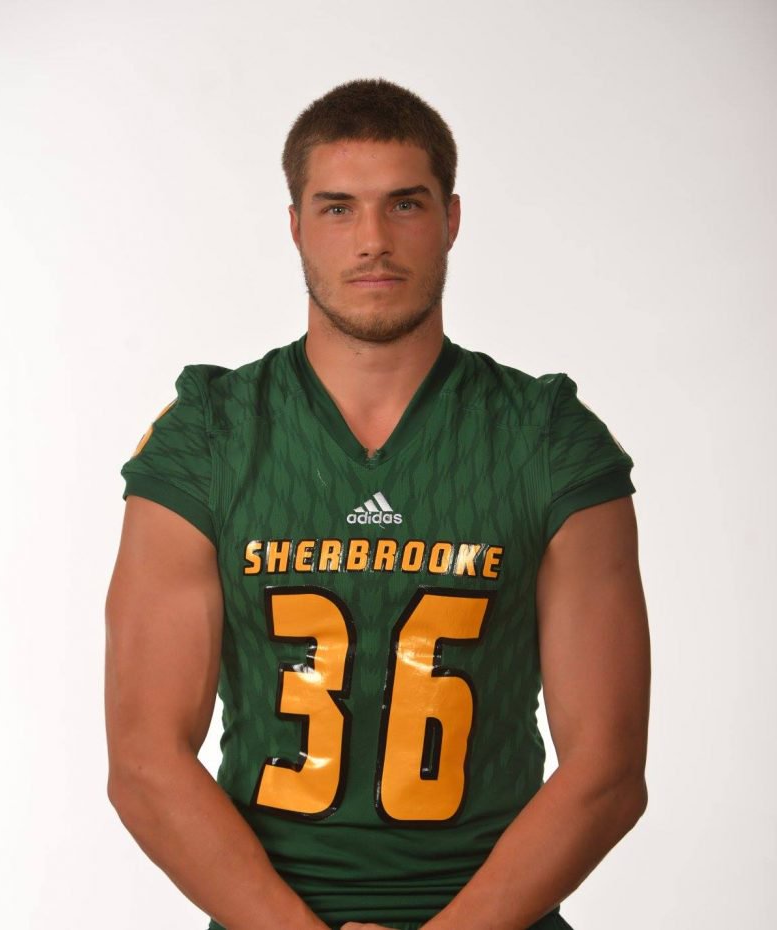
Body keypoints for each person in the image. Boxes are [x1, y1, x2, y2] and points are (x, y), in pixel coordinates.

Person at [105, 77, 650, 930]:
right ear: (295, 226)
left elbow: (608, 770)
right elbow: (144, 759)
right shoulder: (210, 435)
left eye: (405, 204)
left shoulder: (545, 436)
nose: (373, 241)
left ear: (451, 220)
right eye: (337, 209)